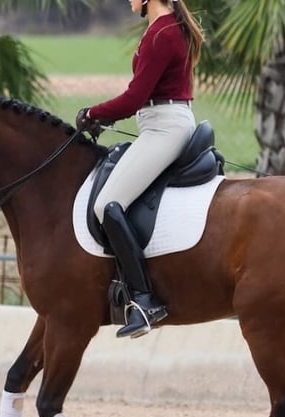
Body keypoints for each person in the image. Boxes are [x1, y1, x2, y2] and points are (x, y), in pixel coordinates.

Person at [76, 0, 203, 339]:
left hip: (165, 127)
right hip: (159, 122)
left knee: (107, 205)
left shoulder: (161, 33)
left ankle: (146, 300)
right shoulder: (165, 27)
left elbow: (134, 97)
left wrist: (92, 113)